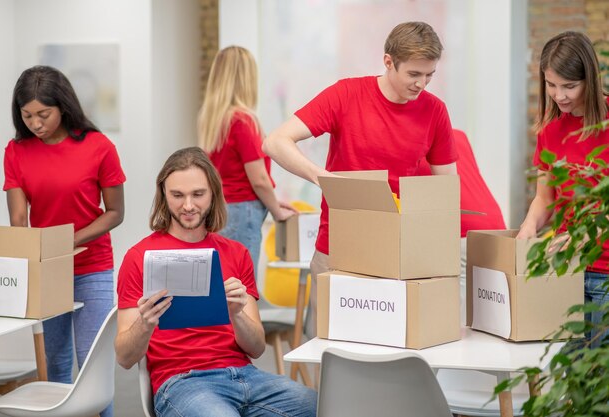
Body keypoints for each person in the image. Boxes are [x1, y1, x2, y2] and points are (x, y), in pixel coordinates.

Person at [262, 21, 458, 336]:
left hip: (399, 253)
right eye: (413, 75)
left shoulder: (435, 111)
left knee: (395, 350)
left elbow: (445, 191)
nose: (421, 84)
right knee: (333, 349)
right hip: (339, 248)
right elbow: (275, 142)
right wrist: (325, 179)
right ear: (388, 62)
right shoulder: (346, 94)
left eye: (429, 76)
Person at [114, 147, 317, 417]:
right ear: (164, 194)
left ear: (213, 194)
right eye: (177, 195)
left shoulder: (236, 253)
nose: (188, 205)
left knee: (323, 405)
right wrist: (146, 322)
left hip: (246, 376)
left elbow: (256, 349)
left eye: (198, 194)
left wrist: (236, 314)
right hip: (182, 382)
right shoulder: (139, 257)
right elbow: (125, 358)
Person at [4, 65, 125, 417]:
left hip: (92, 268)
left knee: (93, 368)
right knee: (56, 365)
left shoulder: (99, 147)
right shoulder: (16, 151)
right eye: (27, 115)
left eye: (44, 114)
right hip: (48, 272)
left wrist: (68, 240)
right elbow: (17, 219)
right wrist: (29, 254)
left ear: (64, 106)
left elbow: (115, 212)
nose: (36, 123)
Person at [517, 31, 609, 346]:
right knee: (573, 377)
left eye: (570, 86)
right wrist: (530, 225)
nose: (560, 95)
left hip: (604, 273)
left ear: (591, 80)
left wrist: (584, 235)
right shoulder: (551, 132)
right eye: (551, 85)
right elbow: (545, 198)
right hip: (566, 271)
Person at [199, 46, 296, 277]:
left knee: (223, 282)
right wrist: (277, 210)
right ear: (245, 78)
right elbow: (259, 179)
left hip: (220, 209)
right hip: (243, 212)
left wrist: (275, 204)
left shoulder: (212, 119)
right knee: (241, 284)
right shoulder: (243, 120)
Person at [416, 128, 507, 323]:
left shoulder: (409, 141)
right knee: (492, 310)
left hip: (462, 231)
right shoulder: (458, 134)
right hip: (495, 224)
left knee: (458, 321)